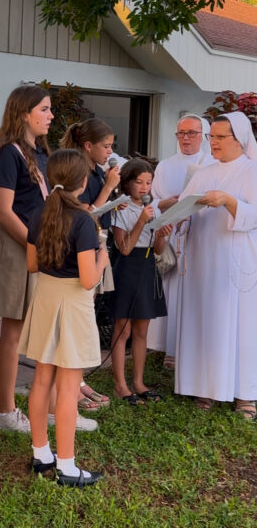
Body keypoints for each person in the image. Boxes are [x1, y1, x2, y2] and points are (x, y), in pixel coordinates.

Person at [21, 150, 108, 487]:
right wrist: (102, 258)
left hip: (44, 297)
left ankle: (41, 452)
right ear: (83, 182)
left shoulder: (39, 213)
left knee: (42, 379)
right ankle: (68, 466)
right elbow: (88, 280)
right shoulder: (84, 221)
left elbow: (31, 264)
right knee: (69, 387)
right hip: (72, 302)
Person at [0, 85, 52, 433]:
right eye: (45, 110)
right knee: (12, 331)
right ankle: (4, 411)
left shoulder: (39, 152)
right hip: (17, 248)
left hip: (35, 247)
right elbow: (4, 211)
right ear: (25, 113)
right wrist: (36, 244)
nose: (51, 116)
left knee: (34, 329)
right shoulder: (10, 153)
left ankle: (43, 402)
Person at [175, 112, 257, 419]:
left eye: (220, 138)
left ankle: (245, 395)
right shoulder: (203, 172)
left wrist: (230, 201)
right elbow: (185, 205)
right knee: (205, 321)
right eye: (212, 137)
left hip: (237, 262)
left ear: (239, 139)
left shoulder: (252, 170)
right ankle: (206, 387)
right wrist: (180, 215)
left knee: (242, 327)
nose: (214, 143)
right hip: (203, 259)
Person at [61, 117, 121, 413]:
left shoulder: (96, 170)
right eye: (106, 146)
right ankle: (71, 383)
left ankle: (79, 378)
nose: (110, 152)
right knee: (81, 316)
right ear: (88, 145)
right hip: (84, 246)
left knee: (89, 313)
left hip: (98, 242)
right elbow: (83, 212)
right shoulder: (79, 172)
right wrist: (108, 189)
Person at [147, 114, 214, 362]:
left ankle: (191, 348)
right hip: (172, 235)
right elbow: (152, 200)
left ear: (203, 135)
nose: (185, 138)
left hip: (200, 235)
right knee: (171, 291)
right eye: (181, 133)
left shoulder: (211, 163)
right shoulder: (164, 165)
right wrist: (164, 204)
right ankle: (168, 348)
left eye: (192, 133)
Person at [110, 158, 171, 403]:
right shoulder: (120, 208)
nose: (144, 188)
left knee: (141, 330)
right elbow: (124, 248)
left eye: (148, 182)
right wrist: (142, 221)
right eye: (139, 182)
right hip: (127, 268)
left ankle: (138, 381)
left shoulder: (152, 209)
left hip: (147, 268)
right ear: (127, 183)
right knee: (122, 328)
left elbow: (156, 250)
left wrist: (162, 234)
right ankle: (120, 384)